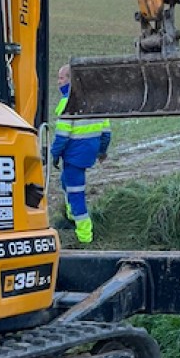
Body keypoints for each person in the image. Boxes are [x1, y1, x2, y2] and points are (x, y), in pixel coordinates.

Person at [50, 63, 111, 245]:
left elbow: (62, 136)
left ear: (71, 79)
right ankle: (70, 216)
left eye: (61, 78)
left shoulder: (68, 102)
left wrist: (53, 155)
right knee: (65, 182)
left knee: (76, 194)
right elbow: (106, 132)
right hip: (87, 155)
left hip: (74, 157)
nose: (58, 82)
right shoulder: (96, 101)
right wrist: (102, 152)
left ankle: (85, 236)